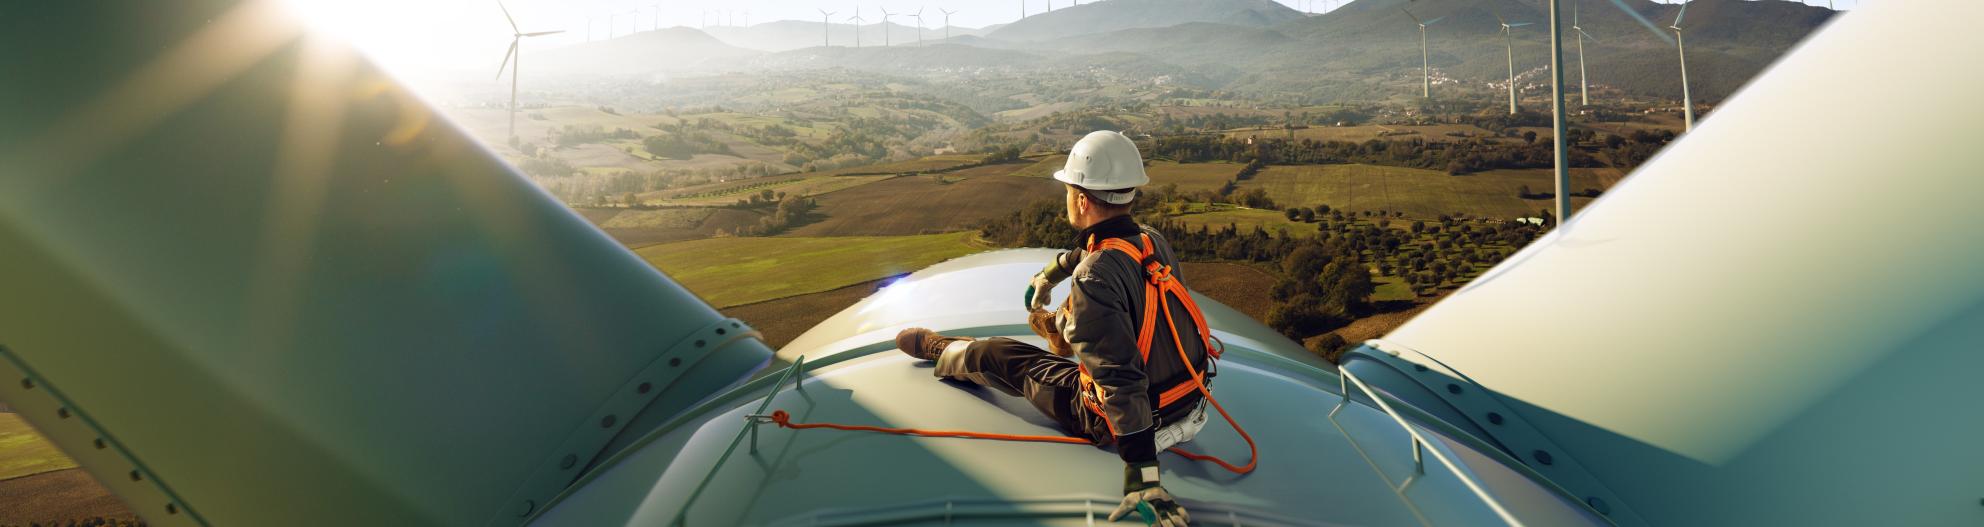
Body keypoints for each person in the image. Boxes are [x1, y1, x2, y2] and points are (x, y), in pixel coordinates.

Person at [895, 130, 1212, 527]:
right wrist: (1049, 274)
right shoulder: (1152, 241)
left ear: (1081, 199)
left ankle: (943, 350)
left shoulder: (1093, 277)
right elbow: (1094, 252)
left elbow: (1119, 378)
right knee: (1088, 309)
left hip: (1130, 418)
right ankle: (1061, 327)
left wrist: (1141, 475)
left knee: (1001, 355)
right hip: (1190, 399)